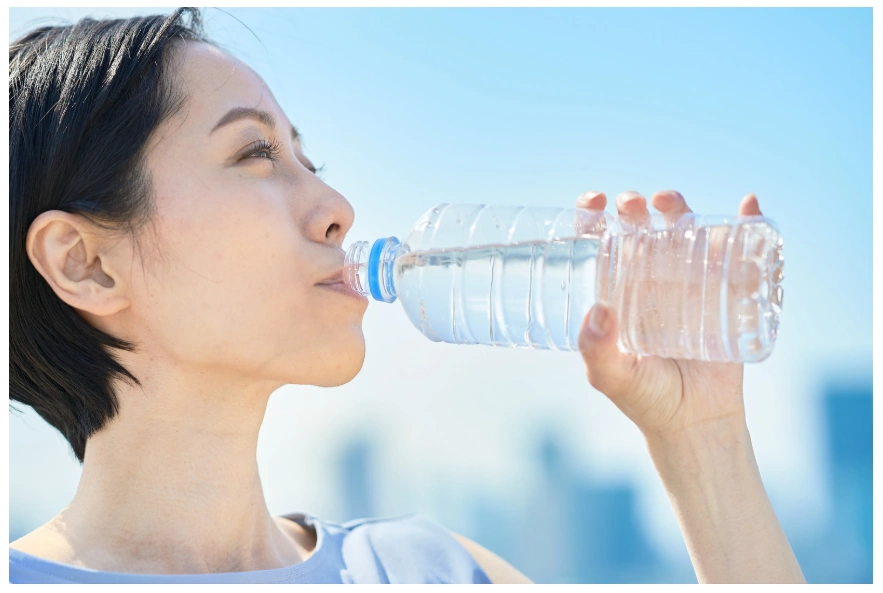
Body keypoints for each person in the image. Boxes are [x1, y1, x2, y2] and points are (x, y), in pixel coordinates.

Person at [8, 8, 806, 584]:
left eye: (308, 158)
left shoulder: (430, 570)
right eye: (254, 152)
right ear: (85, 263)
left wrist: (702, 438)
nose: (337, 208)